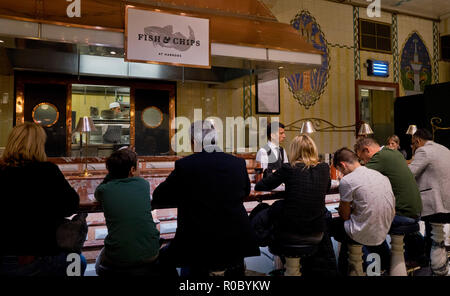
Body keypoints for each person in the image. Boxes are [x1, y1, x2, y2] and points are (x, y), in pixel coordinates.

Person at [151, 121, 260, 276]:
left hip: (197, 244)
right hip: (235, 242)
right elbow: (245, 191)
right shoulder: (237, 163)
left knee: (163, 259)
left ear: (194, 142)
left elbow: (159, 197)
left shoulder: (185, 165)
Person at [0, 122, 85, 276]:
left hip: (5, 259)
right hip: (39, 257)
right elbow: (71, 205)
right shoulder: (47, 171)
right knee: (79, 262)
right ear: (39, 144)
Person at [254, 135, 337, 276]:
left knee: (265, 210)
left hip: (289, 234)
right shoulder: (324, 168)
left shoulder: (289, 168)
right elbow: (326, 188)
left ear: (294, 151)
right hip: (317, 234)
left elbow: (261, 185)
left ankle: (259, 243)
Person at [354, 137, 425, 266]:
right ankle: (405, 258)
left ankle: (382, 264)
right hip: (416, 210)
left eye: (363, 158)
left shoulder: (379, 158)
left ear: (366, 150)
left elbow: (358, 178)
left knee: (368, 226)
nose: (364, 162)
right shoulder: (394, 153)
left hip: (403, 213)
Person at [94, 148, 160, 275]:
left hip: (119, 258)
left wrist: (112, 172)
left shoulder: (105, 190)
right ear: (132, 170)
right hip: (151, 253)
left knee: (98, 263)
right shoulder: (143, 185)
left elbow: (97, 193)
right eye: (138, 166)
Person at [331, 147, 395, 275]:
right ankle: (379, 266)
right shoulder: (381, 176)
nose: (342, 174)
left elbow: (344, 215)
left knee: (334, 226)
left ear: (342, 165)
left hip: (362, 232)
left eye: (340, 171)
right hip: (384, 228)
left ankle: (342, 270)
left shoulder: (347, 180)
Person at [409, 128, 450, 275]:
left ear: (418, 141)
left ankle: (437, 270)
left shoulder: (423, 151)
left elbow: (410, 174)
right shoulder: (444, 149)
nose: (412, 148)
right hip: (447, 201)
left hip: (435, 204)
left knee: (435, 237)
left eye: (412, 144)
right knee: (436, 237)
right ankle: (439, 268)